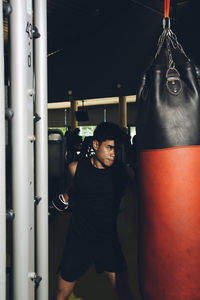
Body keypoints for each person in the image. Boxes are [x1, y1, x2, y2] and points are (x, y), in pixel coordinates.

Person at [51, 122, 135, 300]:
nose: (114, 154)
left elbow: (143, 195)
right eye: (109, 148)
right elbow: (75, 189)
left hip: (107, 241)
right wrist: (60, 202)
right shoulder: (75, 168)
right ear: (96, 145)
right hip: (79, 239)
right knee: (61, 294)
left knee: (125, 293)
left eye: (117, 149)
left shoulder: (122, 173)